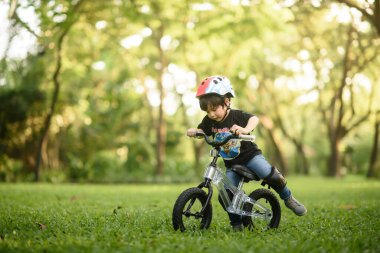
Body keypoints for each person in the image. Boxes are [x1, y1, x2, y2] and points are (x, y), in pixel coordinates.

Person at [187, 75, 307, 231]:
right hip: (232, 164)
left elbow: (254, 119)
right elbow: (202, 130)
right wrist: (195, 131)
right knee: (226, 195)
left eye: (214, 108)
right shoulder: (209, 121)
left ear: (226, 102)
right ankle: (236, 224)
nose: (211, 114)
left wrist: (245, 129)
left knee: (269, 174)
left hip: (251, 157)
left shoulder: (236, 115)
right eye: (207, 110)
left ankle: (288, 198)